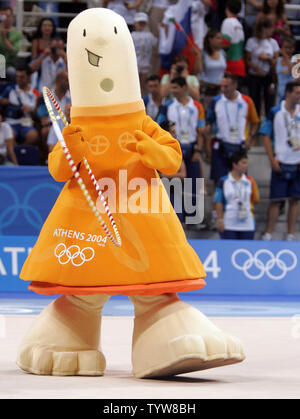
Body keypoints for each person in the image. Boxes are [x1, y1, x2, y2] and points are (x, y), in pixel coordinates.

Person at [157, 76, 205, 225]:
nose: (172, 91)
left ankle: (194, 219)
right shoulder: (168, 106)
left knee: (193, 184)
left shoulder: (197, 106)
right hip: (173, 148)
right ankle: (174, 219)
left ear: (185, 87)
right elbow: (159, 127)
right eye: (171, 87)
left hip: (191, 147)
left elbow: (201, 130)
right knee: (175, 185)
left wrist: (198, 149)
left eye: (175, 87)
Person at [259, 81, 300, 241]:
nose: (299, 96)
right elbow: (266, 135)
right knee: (275, 200)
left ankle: (290, 234)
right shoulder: (275, 111)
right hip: (281, 162)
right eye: (297, 93)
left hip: (297, 163)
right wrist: (272, 159)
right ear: (288, 93)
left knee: (294, 201)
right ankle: (268, 233)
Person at [206, 73, 259, 185]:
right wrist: (207, 132)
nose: (223, 89)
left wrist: (250, 137)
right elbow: (209, 121)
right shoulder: (216, 101)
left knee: (240, 180)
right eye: (221, 86)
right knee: (218, 181)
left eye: (226, 86)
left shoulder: (247, 101)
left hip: (239, 146)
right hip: (221, 146)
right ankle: (218, 202)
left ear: (235, 85)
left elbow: (255, 122)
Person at [214, 150, 259, 239]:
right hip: (229, 223)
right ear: (234, 164)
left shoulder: (250, 181)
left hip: (247, 224)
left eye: (246, 163)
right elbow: (218, 201)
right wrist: (220, 220)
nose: (246, 165)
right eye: (243, 163)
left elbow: (256, 199)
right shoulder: (223, 181)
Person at [245, 17, 280, 118]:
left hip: (268, 75)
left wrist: (268, 59)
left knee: (269, 101)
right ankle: (255, 123)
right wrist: (256, 68)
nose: (271, 30)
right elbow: (247, 60)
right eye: (269, 28)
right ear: (263, 29)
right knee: (254, 100)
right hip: (255, 75)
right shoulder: (251, 41)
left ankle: (268, 124)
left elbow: (275, 61)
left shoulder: (273, 43)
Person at [0, 66, 40, 145]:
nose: (18, 79)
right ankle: (15, 152)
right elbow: (1, 99)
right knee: (9, 135)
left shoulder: (36, 93)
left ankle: (21, 151)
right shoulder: (10, 89)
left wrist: (31, 111)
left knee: (33, 136)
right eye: (17, 77)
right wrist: (6, 101)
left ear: (29, 77)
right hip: (11, 122)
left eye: (21, 77)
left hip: (27, 123)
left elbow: (36, 114)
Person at [200, 28, 227, 112]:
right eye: (218, 38)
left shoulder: (222, 53)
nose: (220, 40)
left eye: (221, 38)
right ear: (210, 39)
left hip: (220, 90)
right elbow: (199, 72)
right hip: (207, 90)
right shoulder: (203, 54)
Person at [221, 0, 246, 85]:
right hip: (240, 65)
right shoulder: (239, 24)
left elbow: (225, 43)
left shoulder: (227, 22)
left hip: (231, 65)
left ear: (227, 8)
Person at [131, 13, 157, 96]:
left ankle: (143, 98)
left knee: (144, 85)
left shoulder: (149, 35)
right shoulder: (132, 35)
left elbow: (155, 45)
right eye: (139, 22)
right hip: (135, 64)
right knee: (135, 84)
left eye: (143, 23)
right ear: (135, 23)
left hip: (145, 63)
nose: (141, 25)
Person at [0, 6, 22, 81]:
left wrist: (4, 38)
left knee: (12, 72)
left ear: (12, 17)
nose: (5, 18)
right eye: (3, 16)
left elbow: (13, 52)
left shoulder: (17, 34)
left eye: (7, 16)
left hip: (8, 65)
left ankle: (11, 92)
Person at [275, 37, 296, 104]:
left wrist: (285, 57)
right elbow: (275, 75)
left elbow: (291, 73)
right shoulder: (277, 60)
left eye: (290, 48)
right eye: (285, 48)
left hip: (291, 93)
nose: (287, 50)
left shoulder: (296, 61)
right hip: (279, 92)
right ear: (281, 48)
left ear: (293, 49)